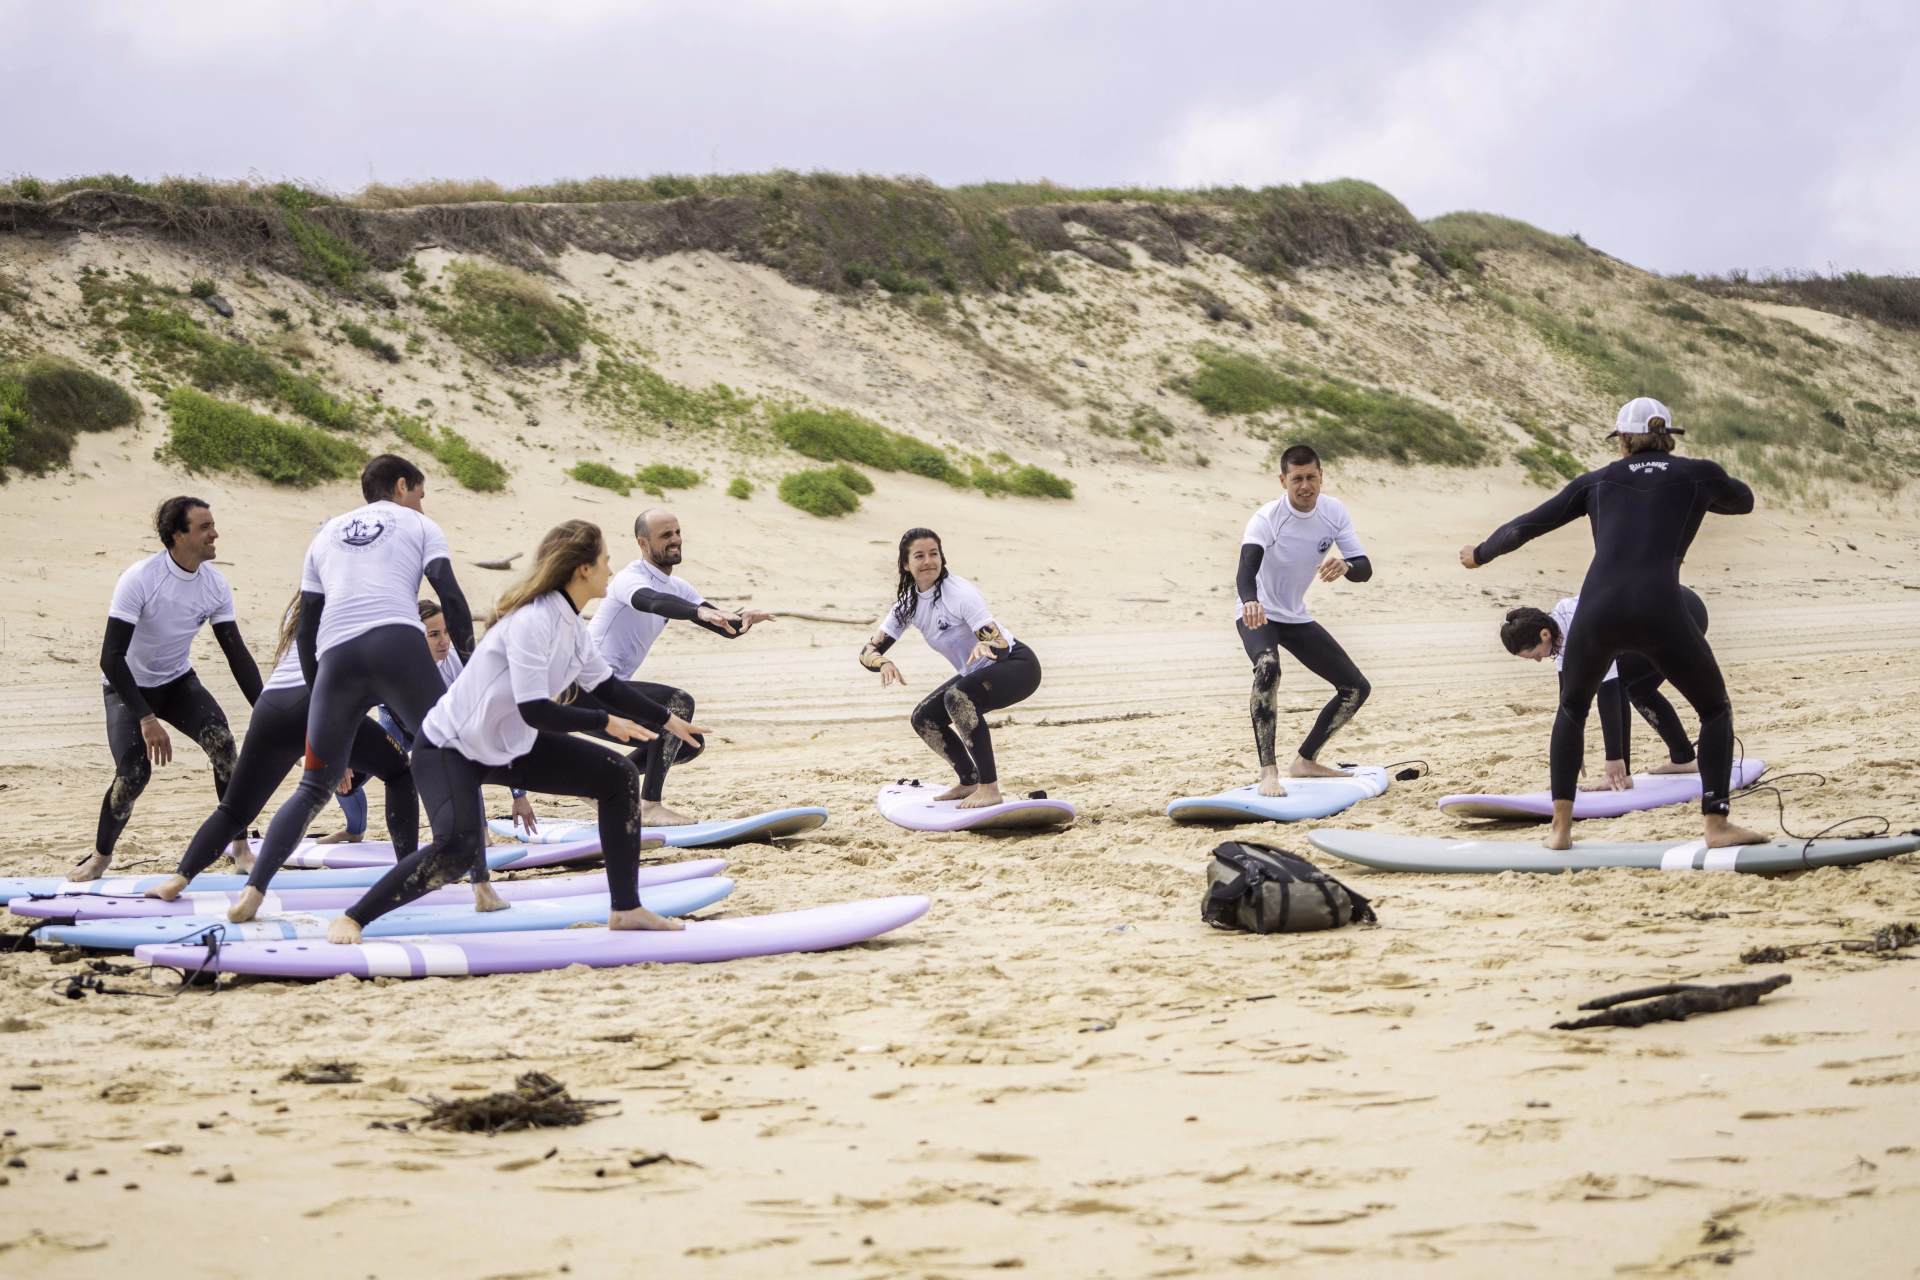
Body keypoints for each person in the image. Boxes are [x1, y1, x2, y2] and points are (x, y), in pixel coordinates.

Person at [328, 520, 709, 944]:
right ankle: (354, 917)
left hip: (508, 744)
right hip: (451, 747)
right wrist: (603, 723)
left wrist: (667, 719)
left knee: (615, 776)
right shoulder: (534, 620)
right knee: (456, 850)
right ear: (582, 568)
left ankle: (626, 908)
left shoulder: (570, 622)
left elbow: (606, 687)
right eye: (604, 561)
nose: (610, 569)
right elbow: (536, 710)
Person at [1461, 397, 1763, 850]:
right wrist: (1694, 494)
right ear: (1669, 436)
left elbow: (1530, 525)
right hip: (1661, 607)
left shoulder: (1597, 481)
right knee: (1714, 710)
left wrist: (1481, 552)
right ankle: (1716, 825)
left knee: (1572, 710)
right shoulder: (1698, 474)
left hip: (1598, 610)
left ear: (1622, 442)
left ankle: (1560, 830)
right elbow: (1744, 503)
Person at [228, 455, 474, 923]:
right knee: (451, 751)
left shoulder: (326, 533)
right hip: (396, 645)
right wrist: (474, 660)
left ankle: (255, 890)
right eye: (420, 495)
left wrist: (320, 698)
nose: (421, 505)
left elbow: (306, 628)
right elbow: (450, 595)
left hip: (335, 658)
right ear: (403, 486)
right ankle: (479, 887)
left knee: (312, 787)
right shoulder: (421, 527)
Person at [143, 596, 418, 900]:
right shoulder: (361, 600)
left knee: (234, 809)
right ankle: (408, 873)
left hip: (272, 705)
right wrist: (338, 743)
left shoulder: (301, 605)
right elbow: (359, 676)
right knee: (399, 772)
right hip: (321, 705)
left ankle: (178, 879)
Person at [78, 496, 263, 881]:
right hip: (126, 686)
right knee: (133, 773)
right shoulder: (141, 578)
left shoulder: (214, 583)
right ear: (177, 535)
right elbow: (111, 658)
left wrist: (267, 710)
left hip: (177, 681)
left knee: (224, 746)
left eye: (213, 525)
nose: (215, 533)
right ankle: (100, 856)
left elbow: (237, 656)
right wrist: (146, 717)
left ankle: (240, 847)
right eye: (204, 527)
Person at [585, 509, 772, 824]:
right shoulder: (629, 580)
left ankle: (598, 786)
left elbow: (724, 626)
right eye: (665, 535)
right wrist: (697, 612)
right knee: (679, 703)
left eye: (677, 532)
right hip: (584, 688)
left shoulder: (680, 587)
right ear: (643, 543)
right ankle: (650, 805)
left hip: (612, 692)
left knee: (687, 742)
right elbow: (654, 601)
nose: (676, 540)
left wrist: (743, 621)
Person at [319, 599, 540, 840]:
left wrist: (519, 795)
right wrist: (344, 756)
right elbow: (350, 710)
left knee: (460, 758)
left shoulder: (460, 666)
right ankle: (354, 832)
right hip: (400, 730)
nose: (445, 640)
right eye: (434, 634)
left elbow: (498, 724)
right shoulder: (389, 667)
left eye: (446, 631)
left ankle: (479, 831)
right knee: (342, 782)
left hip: (446, 733)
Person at [859, 527, 1041, 809]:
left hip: (1018, 665)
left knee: (957, 697)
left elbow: (1001, 646)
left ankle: (989, 788)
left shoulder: (959, 593)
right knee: (924, 718)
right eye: (919, 556)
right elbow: (867, 651)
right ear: (907, 565)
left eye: (934, 553)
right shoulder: (908, 605)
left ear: (942, 558)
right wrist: (883, 662)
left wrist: (986, 646)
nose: (928, 561)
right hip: (977, 673)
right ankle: (968, 781)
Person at [1235, 444, 1374, 797]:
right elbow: (1246, 567)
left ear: (1321, 476)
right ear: (1283, 480)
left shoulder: (1333, 512)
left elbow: (1365, 569)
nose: (1305, 486)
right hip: (1259, 612)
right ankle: (1269, 772)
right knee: (1268, 669)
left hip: (1295, 616)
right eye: (1297, 479)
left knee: (1356, 688)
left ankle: (1305, 760)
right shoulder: (1267, 518)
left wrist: (1347, 566)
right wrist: (1250, 600)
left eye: (1311, 477)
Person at [1500, 588, 1710, 790]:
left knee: (1620, 682)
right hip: (1668, 613)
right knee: (1639, 690)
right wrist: (1571, 744)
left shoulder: (1584, 627)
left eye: (1535, 653)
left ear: (1544, 634)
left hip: (1682, 611)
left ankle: (1622, 775)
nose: (1538, 660)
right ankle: (1684, 759)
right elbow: (1569, 699)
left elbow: (1609, 689)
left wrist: (1614, 758)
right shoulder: (1559, 631)